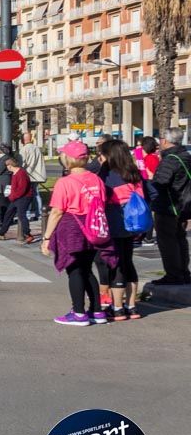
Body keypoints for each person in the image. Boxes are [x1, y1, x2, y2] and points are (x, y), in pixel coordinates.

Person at [41, 140, 114, 326]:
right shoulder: (96, 178)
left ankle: (79, 312)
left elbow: (57, 211)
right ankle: (97, 311)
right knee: (87, 269)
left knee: (74, 270)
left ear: (68, 158)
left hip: (72, 227)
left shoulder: (65, 182)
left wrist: (47, 237)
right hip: (93, 227)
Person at [96, 139, 143, 320]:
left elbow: (100, 197)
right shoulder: (133, 172)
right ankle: (131, 306)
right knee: (128, 261)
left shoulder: (107, 175)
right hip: (134, 221)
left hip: (114, 220)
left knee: (116, 263)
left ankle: (117, 308)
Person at [149, 127, 191, 285]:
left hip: (168, 206)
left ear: (165, 141)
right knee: (180, 239)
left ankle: (173, 274)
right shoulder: (185, 155)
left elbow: (161, 183)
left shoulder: (170, 159)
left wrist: (149, 186)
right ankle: (183, 272)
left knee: (167, 241)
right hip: (184, 206)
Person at [0, 157, 35, 243]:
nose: (7, 167)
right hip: (16, 197)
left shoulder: (21, 173)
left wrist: (12, 196)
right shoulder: (15, 173)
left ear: (10, 166)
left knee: (21, 215)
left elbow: (22, 189)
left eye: (7, 166)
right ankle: (2, 233)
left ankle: (28, 234)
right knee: (8, 214)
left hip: (24, 197)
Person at [18, 132, 47, 222]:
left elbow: (21, 163)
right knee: (36, 194)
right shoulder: (37, 148)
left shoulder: (24, 149)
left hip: (28, 175)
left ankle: (27, 213)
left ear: (23, 140)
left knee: (26, 195)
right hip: (37, 176)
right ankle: (39, 214)